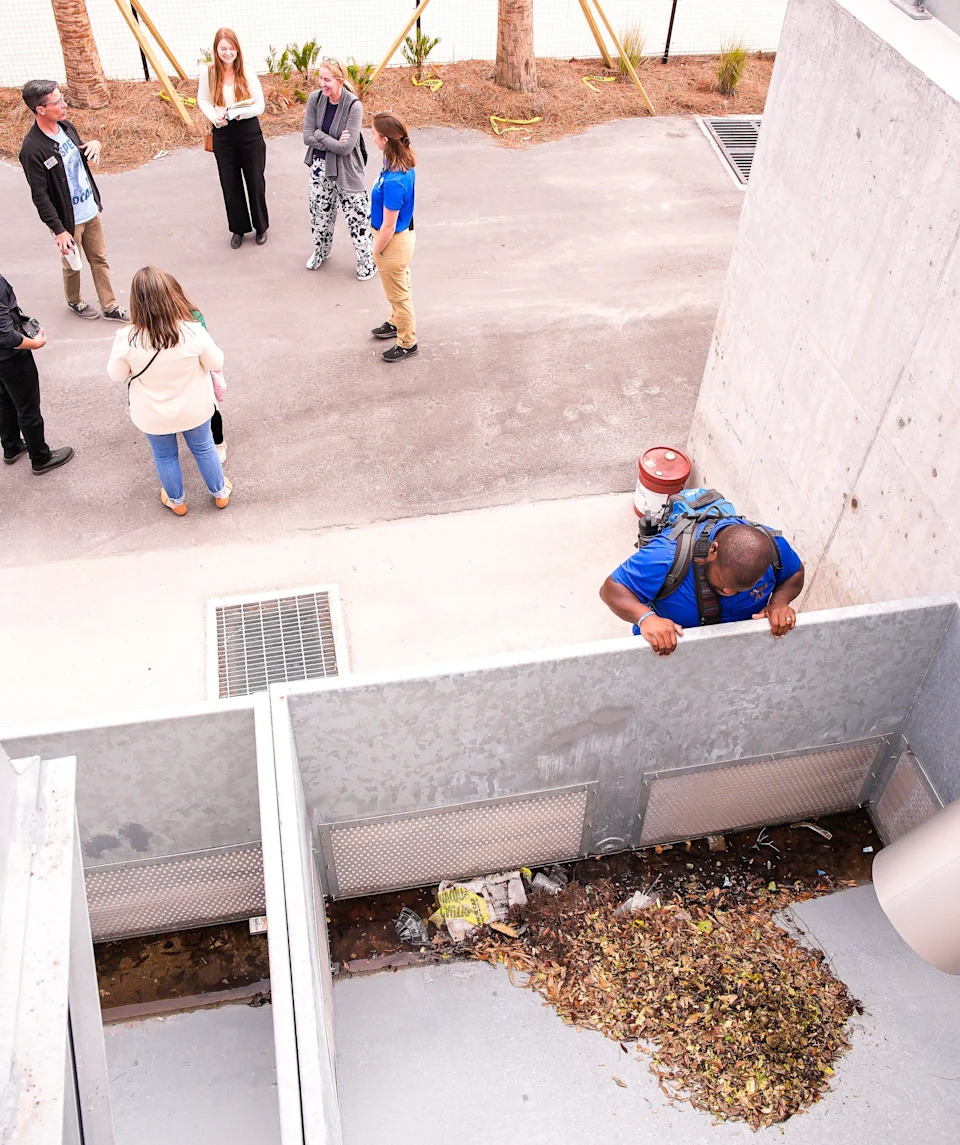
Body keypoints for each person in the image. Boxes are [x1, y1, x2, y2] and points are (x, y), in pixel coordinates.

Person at [107, 266, 232, 516]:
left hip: (153, 414)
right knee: (205, 448)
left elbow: (117, 375)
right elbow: (216, 363)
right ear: (168, 295)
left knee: (165, 456)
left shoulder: (126, 338)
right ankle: (220, 494)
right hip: (194, 408)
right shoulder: (191, 330)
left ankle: (177, 502)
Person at [600, 515, 805, 656]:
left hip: (733, 653)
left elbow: (795, 572)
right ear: (713, 550)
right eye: (725, 583)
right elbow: (611, 589)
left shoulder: (776, 549)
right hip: (666, 652)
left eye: (740, 590)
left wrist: (779, 602)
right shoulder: (666, 555)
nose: (728, 592)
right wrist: (646, 618)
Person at [18, 79, 128, 322]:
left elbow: (75, 157)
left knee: (99, 258)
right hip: (67, 220)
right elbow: (40, 195)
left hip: (89, 208)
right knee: (72, 264)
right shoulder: (32, 150)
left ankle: (109, 306)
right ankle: (75, 300)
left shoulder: (65, 127)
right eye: (58, 101)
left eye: (62, 98)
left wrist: (95, 144)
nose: (64, 104)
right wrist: (59, 231)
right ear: (41, 109)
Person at [301, 57, 375, 279]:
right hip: (319, 167)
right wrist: (331, 138)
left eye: (327, 80)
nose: (322, 84)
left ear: (340, 81)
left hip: (348, 169)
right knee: (320, 215)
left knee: (358, 217)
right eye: (320, 79)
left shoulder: (354, 106)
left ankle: (366, 262)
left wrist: (320, 134)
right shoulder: (315, 99)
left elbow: (346, 148)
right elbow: (307, 137)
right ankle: (321, 251)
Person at [198, 28, 268, 249]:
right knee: (230, 182)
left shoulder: (246, 71)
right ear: (216, 50)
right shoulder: (208, 73)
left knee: (255, 181)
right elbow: (203, 100)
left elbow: (259, 105)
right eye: (223, 49)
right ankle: (238, 229)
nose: (228, 53)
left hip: (248, 131)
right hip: (223, 132)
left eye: (231, 48)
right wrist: (214, 116)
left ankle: (261, 227)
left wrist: (237, 113)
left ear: (237, 49)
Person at [0, 272, 74, 474]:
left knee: (5, 399)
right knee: (27, 406)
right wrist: (36, 343)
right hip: (11, 357)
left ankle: (11, 445)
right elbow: (6, 336)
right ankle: (40, 457)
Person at [158, 270, 228, 464]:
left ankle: (219, 443)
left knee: (211, 411)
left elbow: (210, 353)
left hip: (196, 374)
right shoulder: (153, 323)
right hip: (173, 378)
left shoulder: (193, 317)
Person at [369, 113, 418, 362]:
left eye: (375, 134)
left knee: (398, 295)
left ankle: (407, 341)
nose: (373, 137)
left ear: (386, 139)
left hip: (392, 244)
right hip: (399, 239)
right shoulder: (395, 160)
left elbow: (388, 226)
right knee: (399, 288)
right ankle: (394, 321)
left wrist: (375, 250)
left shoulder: (396, 180)